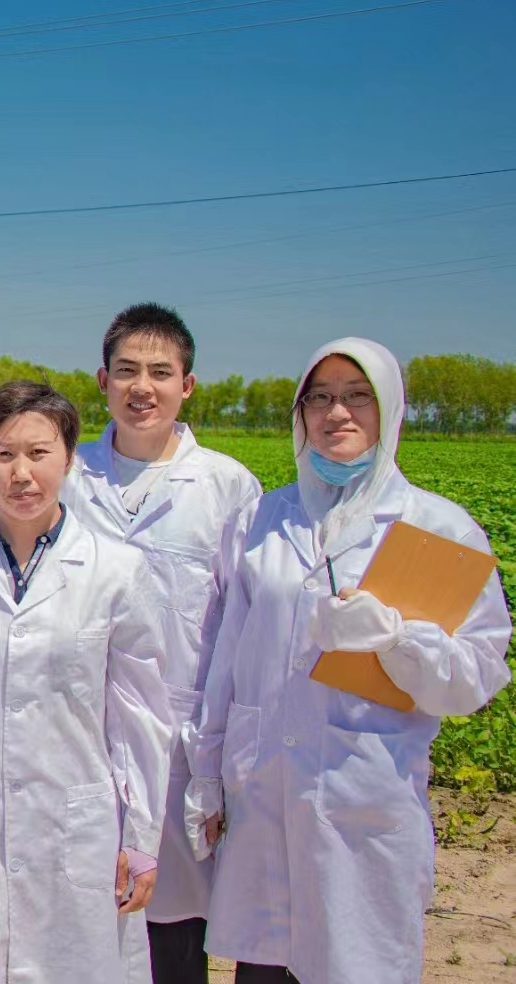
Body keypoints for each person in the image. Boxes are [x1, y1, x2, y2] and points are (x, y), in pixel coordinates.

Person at [185, 338, 512, 984]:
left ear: (390, 408)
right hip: (264, 793)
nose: (338, 412)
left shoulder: (437, 529)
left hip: (364, 802)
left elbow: (474, 678)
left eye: (358, 396)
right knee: (262, 966)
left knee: (356, 963)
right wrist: (208, 770)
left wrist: (395, 639)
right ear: (301, 413)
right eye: (321, 397)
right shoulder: (260, 518)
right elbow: (227, 659)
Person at [0, 381, 174, 983]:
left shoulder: (115, 570)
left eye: (39, 453)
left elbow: (140, 716)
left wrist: (142, 835)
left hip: (76, 827)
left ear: (69, 458)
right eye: (2, 454)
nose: (22, 474)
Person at [68, 304, 262, 984]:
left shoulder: (228, 488)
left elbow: (243, 630)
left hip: (183, 745)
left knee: (174, 930)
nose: (141, 387)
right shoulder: (66, 475)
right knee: (80, 925)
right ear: (102, 381)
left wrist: (222, 759)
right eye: (126, 371)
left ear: (188, 385)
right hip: (78, 737)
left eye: (159, 372)